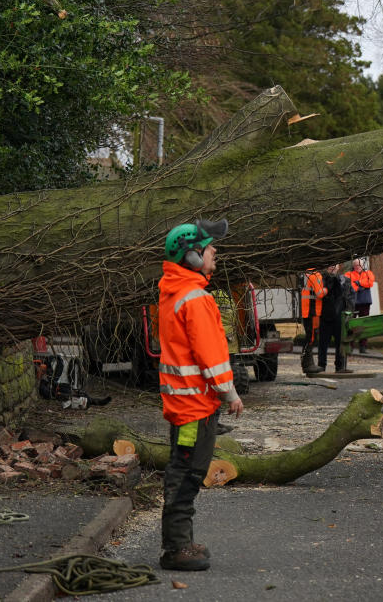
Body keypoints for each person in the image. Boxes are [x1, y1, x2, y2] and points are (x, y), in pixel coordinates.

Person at [157, 218, 243, 572]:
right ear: (192, 258)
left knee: (186, 468)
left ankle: (182, 541)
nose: (215, 253)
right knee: (187, 472)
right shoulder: (196, 299)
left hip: (187, 403)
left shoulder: (175, 293)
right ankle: (176, 548)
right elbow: (211, 355)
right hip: (194, 407)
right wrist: (230, 394)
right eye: (210, 249)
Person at [318, 263, 355, 374]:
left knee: (341, 343)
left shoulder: (345, 280)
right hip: (324, 315)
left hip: (340, 317)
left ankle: (340, 366)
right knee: (323, 343)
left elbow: (350, 298)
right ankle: (321, 366)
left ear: (339, 267)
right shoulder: (320, 279)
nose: (332, 267)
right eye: (330, 265)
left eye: (335, 265)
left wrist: (349, 314)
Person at [345, 258, 376, 352]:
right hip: (352, 302)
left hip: (365, 302)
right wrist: (360, 286)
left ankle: (363, 346)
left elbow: (370, 283)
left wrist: (359, 283)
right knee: (351, 324)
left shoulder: (368, 273)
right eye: (356, 265)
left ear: (362, 265)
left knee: (364, 324)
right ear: (353, 266)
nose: (358, 267)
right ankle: (350, 346)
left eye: (359, 265)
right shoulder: (348, 274)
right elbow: (348, 285)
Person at [300, 268, 325, 374]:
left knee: (309, 336)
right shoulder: (316, 275)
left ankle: (307, 363)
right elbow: (320, 293)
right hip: (313, 311)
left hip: (306, 310)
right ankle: (308, 364)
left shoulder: (304, 274)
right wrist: (327, 289)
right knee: (312, 337)